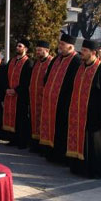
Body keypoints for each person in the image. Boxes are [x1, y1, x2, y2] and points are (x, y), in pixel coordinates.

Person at [67, 40, 101, 178]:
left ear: (93, 53)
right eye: (82, 50)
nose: (82, 52)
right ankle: (79, 168)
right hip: (79, 114)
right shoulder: (81, 67)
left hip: (96, 116)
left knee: (95, 146)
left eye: (85, 50)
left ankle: (96, 171)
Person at [39, 33, 81, 162]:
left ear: (71, 46)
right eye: (60, 43)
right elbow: (47, 77)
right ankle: (51, 153)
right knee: (52, 128)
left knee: (62, 130)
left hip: (64, 103)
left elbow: (75, 83)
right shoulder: (57, 59)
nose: (60, 46)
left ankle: (61, 157)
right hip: (51, 102)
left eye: (63, 44)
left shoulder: (76, 61)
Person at [1, 38, 33, 148]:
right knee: (10, 116)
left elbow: (27, 80)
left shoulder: (28, 62)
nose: (17, 48)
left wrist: (16, 90)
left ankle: (21, 141)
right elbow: (4, 76)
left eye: (20, 46)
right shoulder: (12, 61)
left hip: (20, 96)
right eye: (17, 46)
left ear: (26, 49)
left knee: (21, 118)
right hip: (9, 95)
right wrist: (6, 88)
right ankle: (12, 139)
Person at [29, 40, 53, 149]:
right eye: (36, 50)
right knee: (34, 120)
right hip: (34, 97)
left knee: (44, 122)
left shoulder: (51, 62)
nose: (37, 52)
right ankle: (34, 144)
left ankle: (43, 145)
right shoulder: (36, 62)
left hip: (44, 98)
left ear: (47, 50)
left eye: (39, 50)